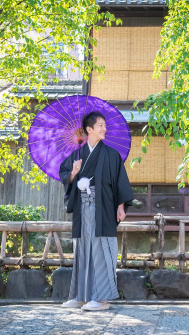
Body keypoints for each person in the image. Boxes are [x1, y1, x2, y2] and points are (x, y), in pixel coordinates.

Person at [58, 111, 134, 311]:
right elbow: (64, 175)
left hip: (104, 209)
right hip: (82, 208)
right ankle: (81, 296)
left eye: (104, 125)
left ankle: (101, 298)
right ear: (89, 129)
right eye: (100, 125)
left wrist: (121, 205)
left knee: (101, 249)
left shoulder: (111, 155)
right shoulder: (77, 155)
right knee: (82, 249)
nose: (104, 128)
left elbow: (120, 181)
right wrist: (74, 173)